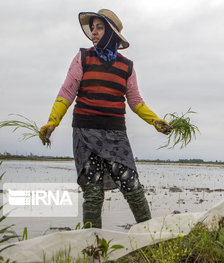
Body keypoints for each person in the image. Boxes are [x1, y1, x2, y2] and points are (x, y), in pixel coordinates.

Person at [39, 9, 173, 228]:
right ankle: (93, 246)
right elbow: (67, 92)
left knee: (131, 184)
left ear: (112, 33)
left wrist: (155, 121)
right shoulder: (83, 57)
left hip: (116, 135)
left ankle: (149, 235)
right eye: (92, 28)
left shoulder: (126, 67)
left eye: (99, 27)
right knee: (93, 191)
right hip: (85, 131)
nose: (93, 32)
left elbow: (136, 101)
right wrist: (52, 121)